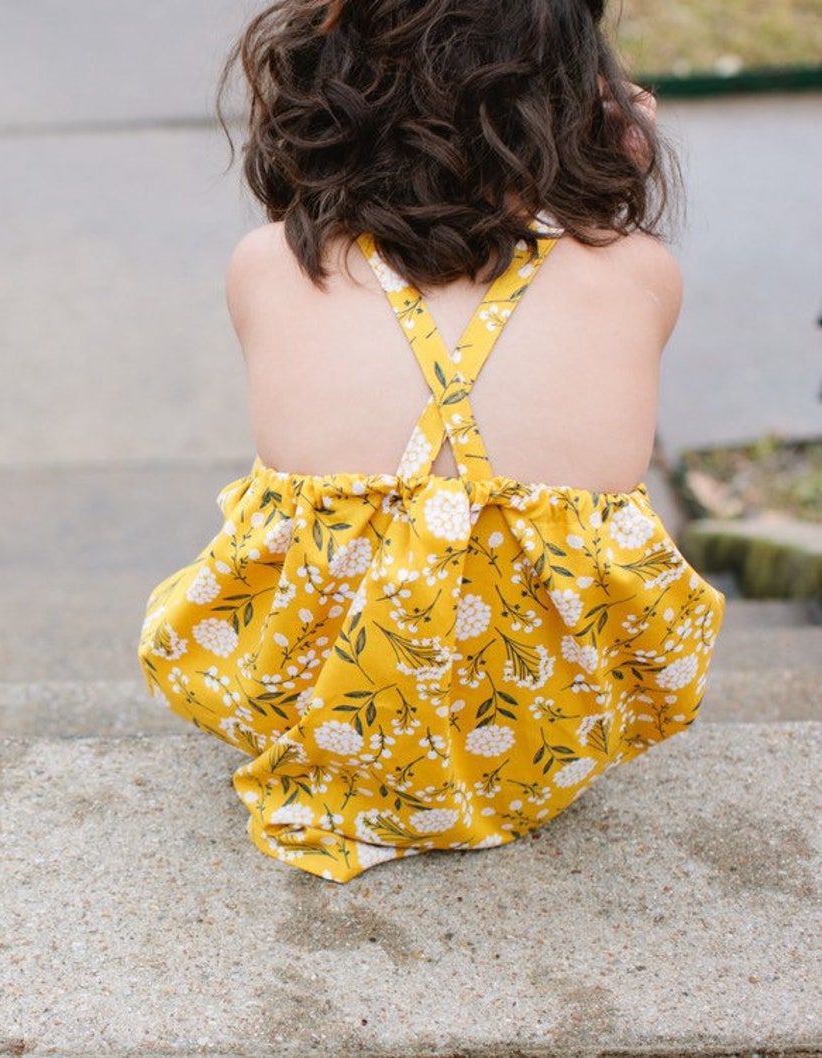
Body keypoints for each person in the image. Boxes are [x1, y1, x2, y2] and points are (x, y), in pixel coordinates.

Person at [138, 0, 724, 882]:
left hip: (315, 714)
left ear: (327, 83)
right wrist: (618, 166)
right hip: (547, 743)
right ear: (582, 92)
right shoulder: (640, 275)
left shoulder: (268, 266)